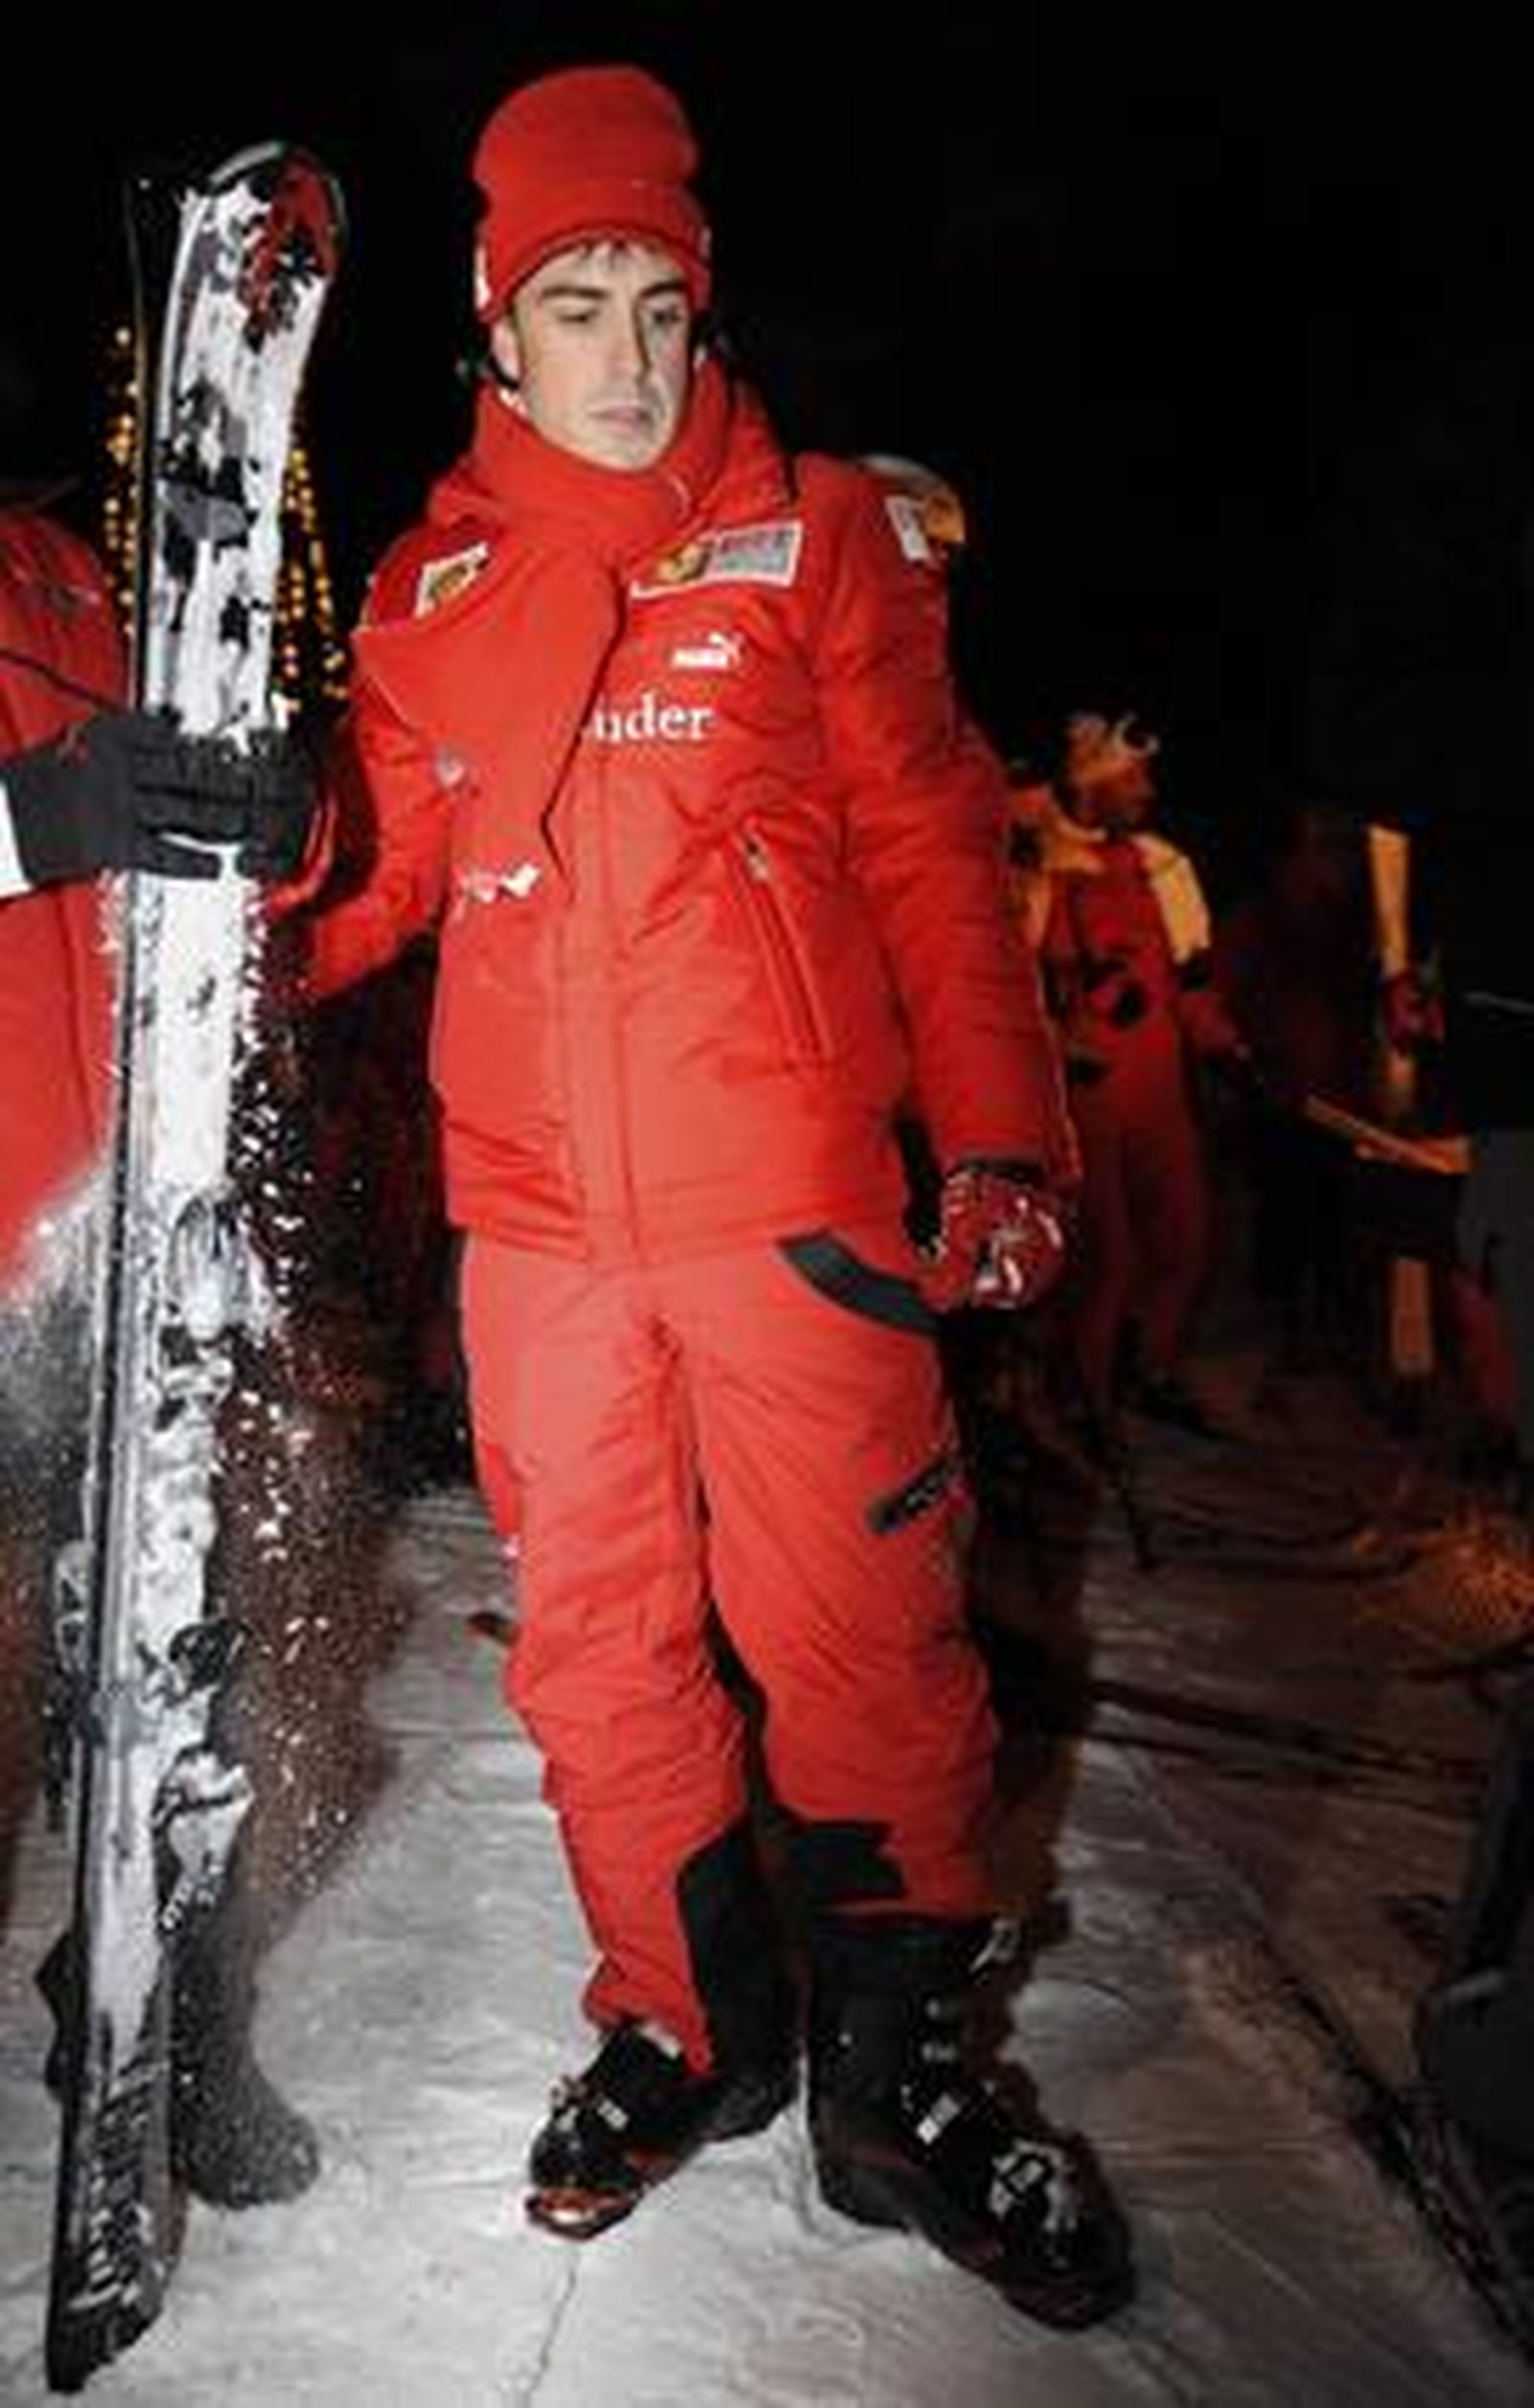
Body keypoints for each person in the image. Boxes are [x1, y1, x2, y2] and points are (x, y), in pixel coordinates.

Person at [307, 61, 1129, 2325]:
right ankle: (685, 2014)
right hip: (540, 1232)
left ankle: (899, 2076)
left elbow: (932, 855)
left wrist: (990, 1134)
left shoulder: (811, 536)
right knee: (594, 1646)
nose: (632, 356)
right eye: (578, 307)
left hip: (786, 1208)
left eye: (662, 305)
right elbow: (359, 884)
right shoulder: (429, 583)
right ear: (492, 329)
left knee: (859, 1635)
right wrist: (248, 849)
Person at [0, 485, 320, 2209]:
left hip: (86, 1221)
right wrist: (17, 821)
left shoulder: (58, 560)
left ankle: (157, 2015)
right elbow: (48, 823)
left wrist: (273, 828)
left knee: (174, 1651)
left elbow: (161, 850)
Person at [1026, 708, 1245, 1440]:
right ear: (1094, 783)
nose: (1148, 790)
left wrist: (1225, 1049)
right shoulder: (1040, 866)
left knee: (1184, 1239)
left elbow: (1193, 981)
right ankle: (1078, 1398)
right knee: (1103, 1260)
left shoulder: (1164, 865)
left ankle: (1145, 1369)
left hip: (1159, 1099)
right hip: (1081, 1105)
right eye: (1134, 776)